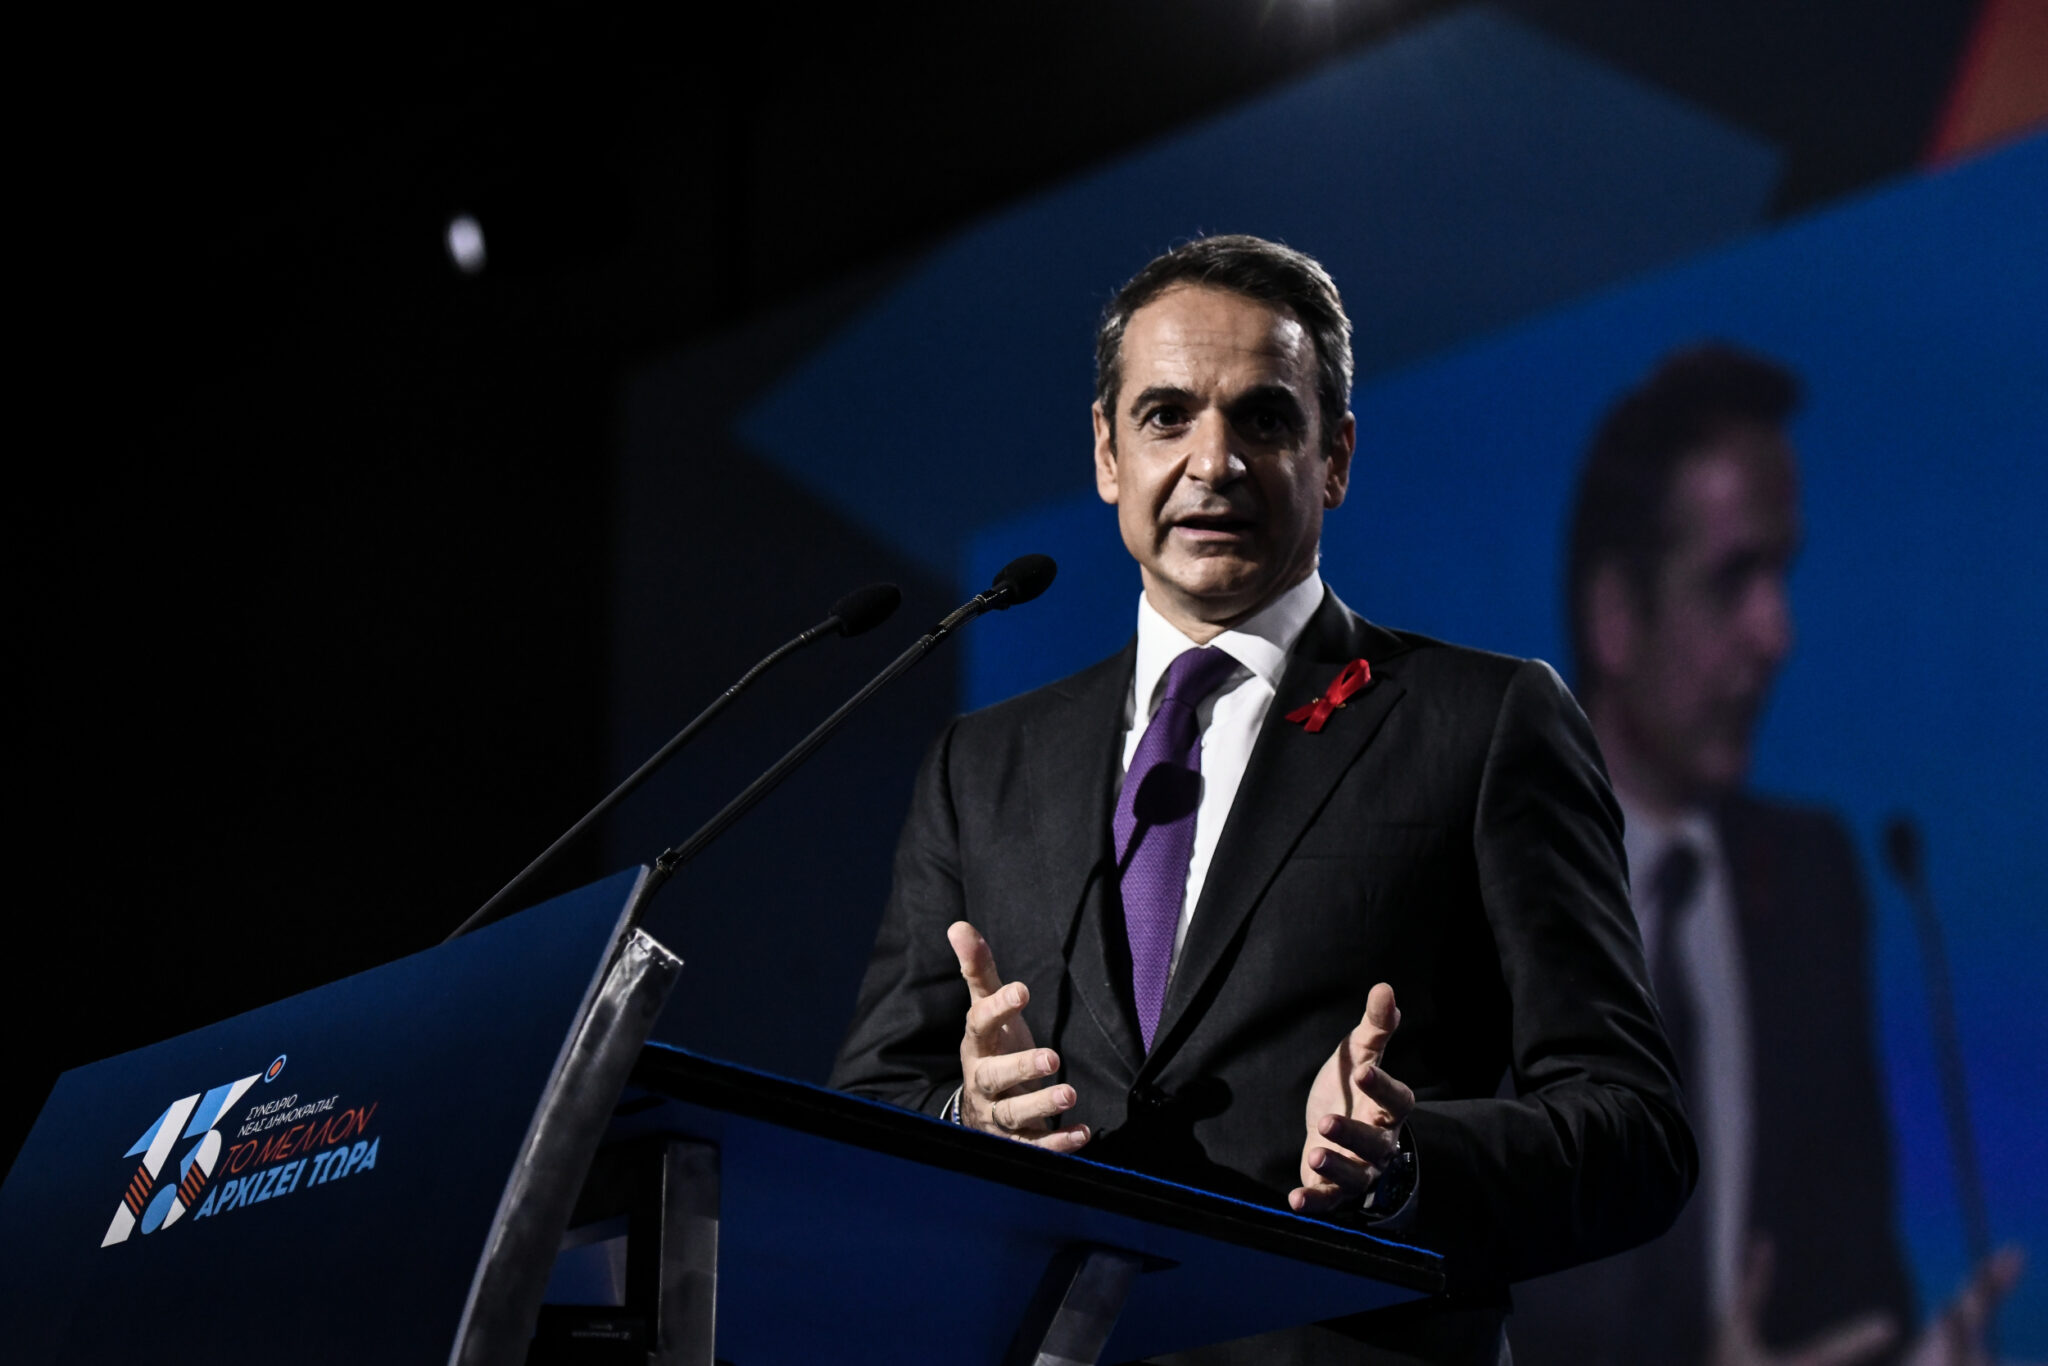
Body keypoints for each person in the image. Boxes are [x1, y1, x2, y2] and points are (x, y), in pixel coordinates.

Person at [830, 235, 1695, 1365]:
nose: (1214, 462)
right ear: (1106, 453)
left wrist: (1407, 1163)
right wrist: (969, 1119)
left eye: (1264, 419)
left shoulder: (1483, 722)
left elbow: (1633, 1131)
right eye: (1165, 416)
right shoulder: (982, 763)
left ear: (1334, 457)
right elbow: (873, 1099)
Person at [1510, 345, 2022, 1366]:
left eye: (1780, 575)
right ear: (1616, 616)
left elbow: (1853, 1278)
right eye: (1732, 579)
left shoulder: (1812, 883)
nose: (1775, 632)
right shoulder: (1468, 895)